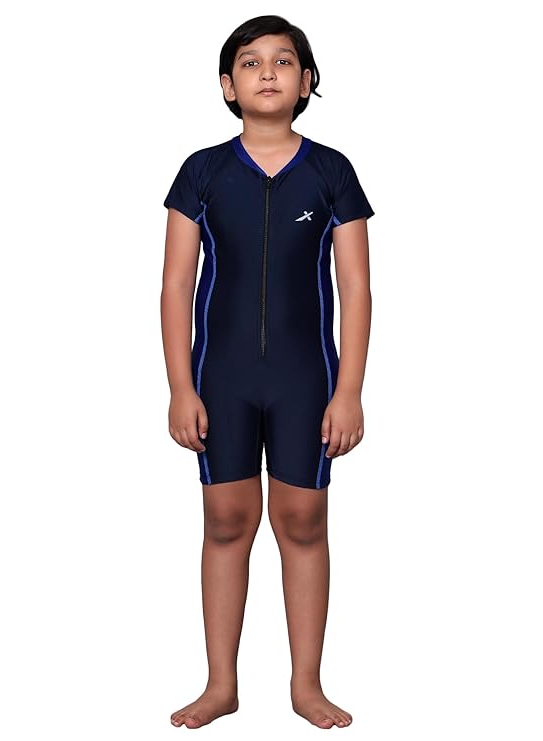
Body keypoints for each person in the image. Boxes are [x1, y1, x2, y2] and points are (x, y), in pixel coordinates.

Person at [161, 14, 374, 730]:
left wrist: (350, 390)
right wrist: (180, 386)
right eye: (250, 63)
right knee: (225, 519)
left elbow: (356, 289)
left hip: (305, 377)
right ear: (227, 85)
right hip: (219, 377)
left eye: (284, 61)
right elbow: (175, 286)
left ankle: (306, 684)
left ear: (307, 82)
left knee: (303, 519)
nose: (268, 73)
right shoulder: (202, 171)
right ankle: (220, 683)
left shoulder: (332, 171)